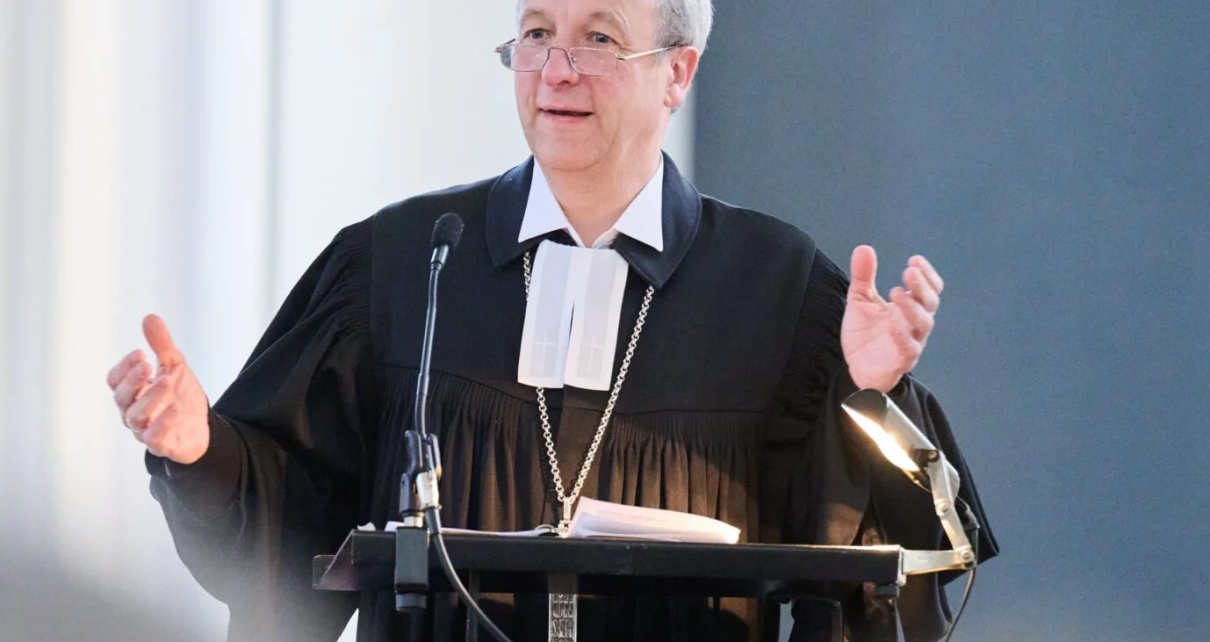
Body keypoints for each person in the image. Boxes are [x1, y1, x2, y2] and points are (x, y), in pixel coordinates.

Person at [107, 0, 997, 640]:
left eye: (598, 39)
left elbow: (880, 564)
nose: (557, 71)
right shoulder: (405, 260)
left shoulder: (775, 286)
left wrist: (871, 394)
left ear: (678, 73)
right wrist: (198, 448)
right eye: (537, 34)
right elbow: (289, 516)